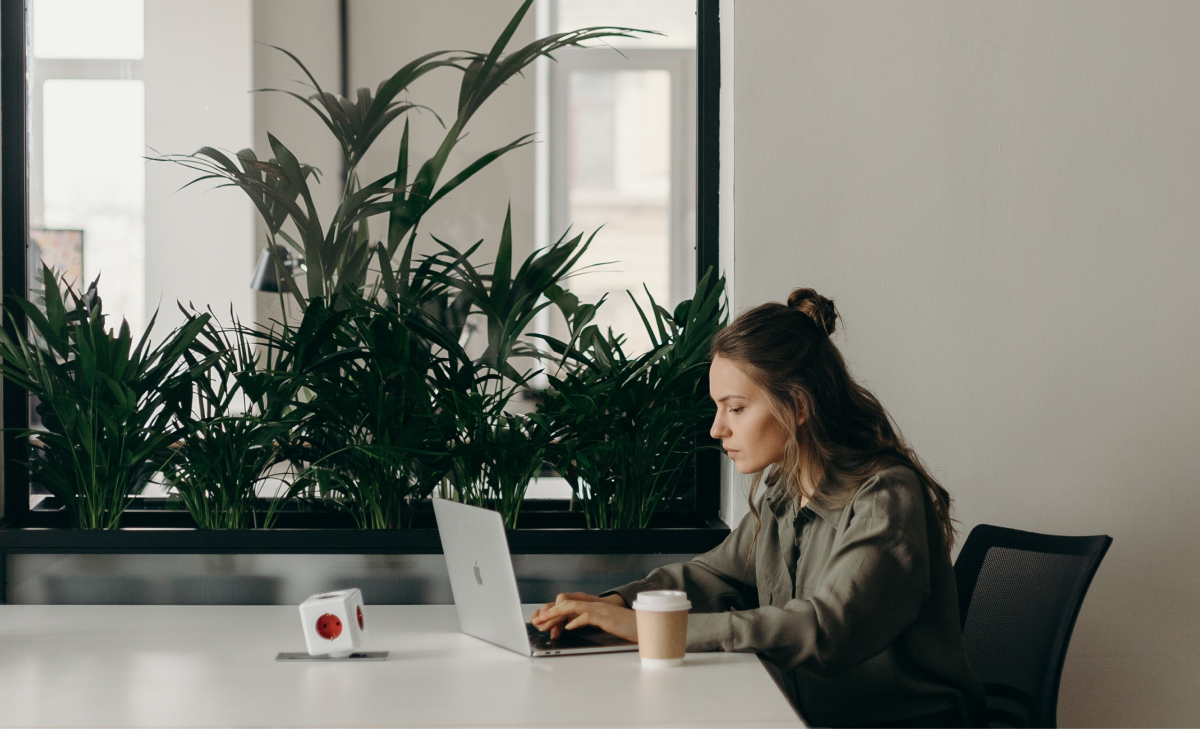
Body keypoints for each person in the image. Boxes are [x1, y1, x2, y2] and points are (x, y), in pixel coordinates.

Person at [531, 288, 986, 728]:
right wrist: (616, 603)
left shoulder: (885, 497)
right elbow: (715, 575)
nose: (716, 429)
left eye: (735, 408)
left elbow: (827, 629)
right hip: (799, 715)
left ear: (798, 404)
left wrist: (649, 627)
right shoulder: (786, 490)